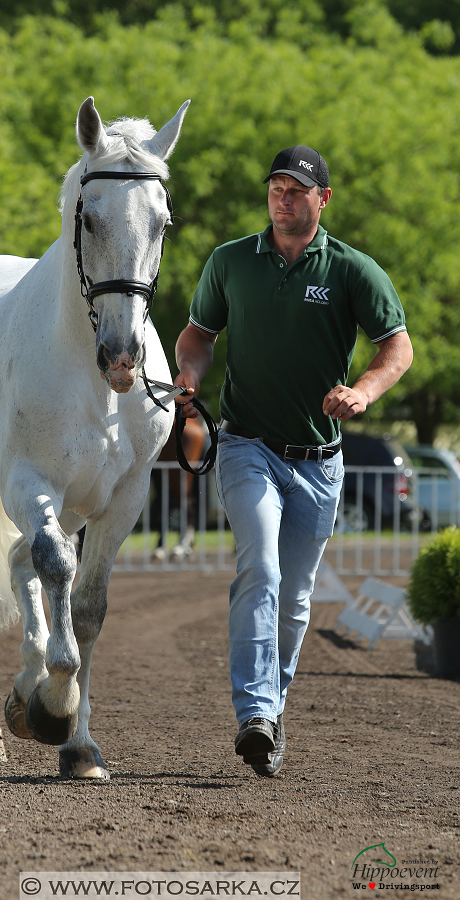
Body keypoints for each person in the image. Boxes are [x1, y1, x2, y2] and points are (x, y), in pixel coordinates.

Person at [173, 145, 413, 778]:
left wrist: (362, 391)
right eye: (276, 187)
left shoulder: (354, 271)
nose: (284, 197)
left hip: (320, 463)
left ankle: (272, 712)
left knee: (297, 597)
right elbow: (198, 335)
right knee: (263, 570)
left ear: (321, 199)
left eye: (297, 189)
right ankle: (253, 712)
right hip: (247, 444)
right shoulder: (230, 262)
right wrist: (190, 376)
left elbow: (398, 348)